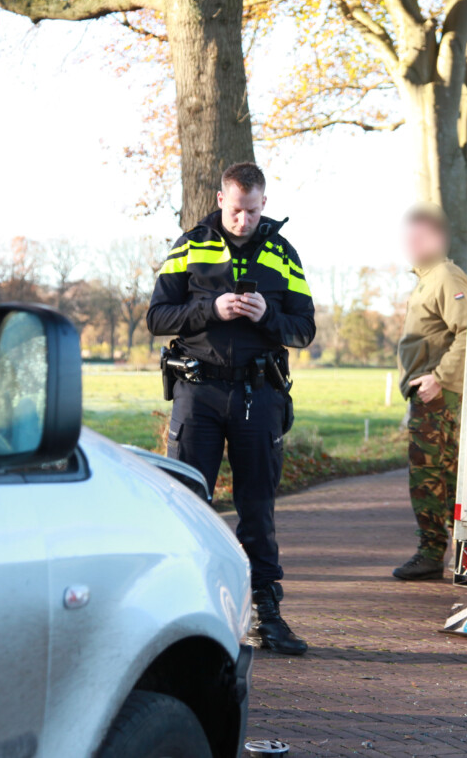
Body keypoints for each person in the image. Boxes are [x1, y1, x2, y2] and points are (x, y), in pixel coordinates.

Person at [147, 163, 315, 654]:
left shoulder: (283, 252)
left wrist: (269, 317)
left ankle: (266, 615)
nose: (244, 219)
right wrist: (211, 309)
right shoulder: (190, 245)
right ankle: (181, 617)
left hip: (257, 395)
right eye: (237, 210)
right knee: (188, 505)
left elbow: (304, 329)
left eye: (254, 210)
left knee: (257, 510)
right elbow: (157, 317)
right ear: (221, 199)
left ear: (264, 204)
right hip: (197, 393)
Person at [393, 204, 467, 580]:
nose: (411, 243)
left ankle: (439, 552)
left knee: (435, 477)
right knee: (433, 476)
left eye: (419, 236)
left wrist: (439, 378)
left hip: (441, 397)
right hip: (427, 397)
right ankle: (441, 551)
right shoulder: (427, 279)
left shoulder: (445, 277)